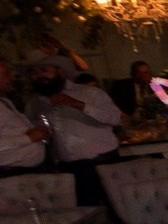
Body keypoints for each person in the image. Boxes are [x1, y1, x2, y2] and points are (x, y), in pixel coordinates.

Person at [26, 59, 122, 212]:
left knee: (119, 209)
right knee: (87, 213)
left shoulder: (90, 93)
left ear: (60, 71)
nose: (39, 76)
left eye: (44, 70)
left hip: (103, 161)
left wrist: (78, 104)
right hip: (70, 167)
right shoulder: (34, 104)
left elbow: (115, 118)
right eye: (34, 73)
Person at [0, 62, 49, 173]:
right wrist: (28, 138)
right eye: (6, 74)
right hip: (9, 174)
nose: (11, 78)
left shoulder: (5, 101)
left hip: (26, 172)